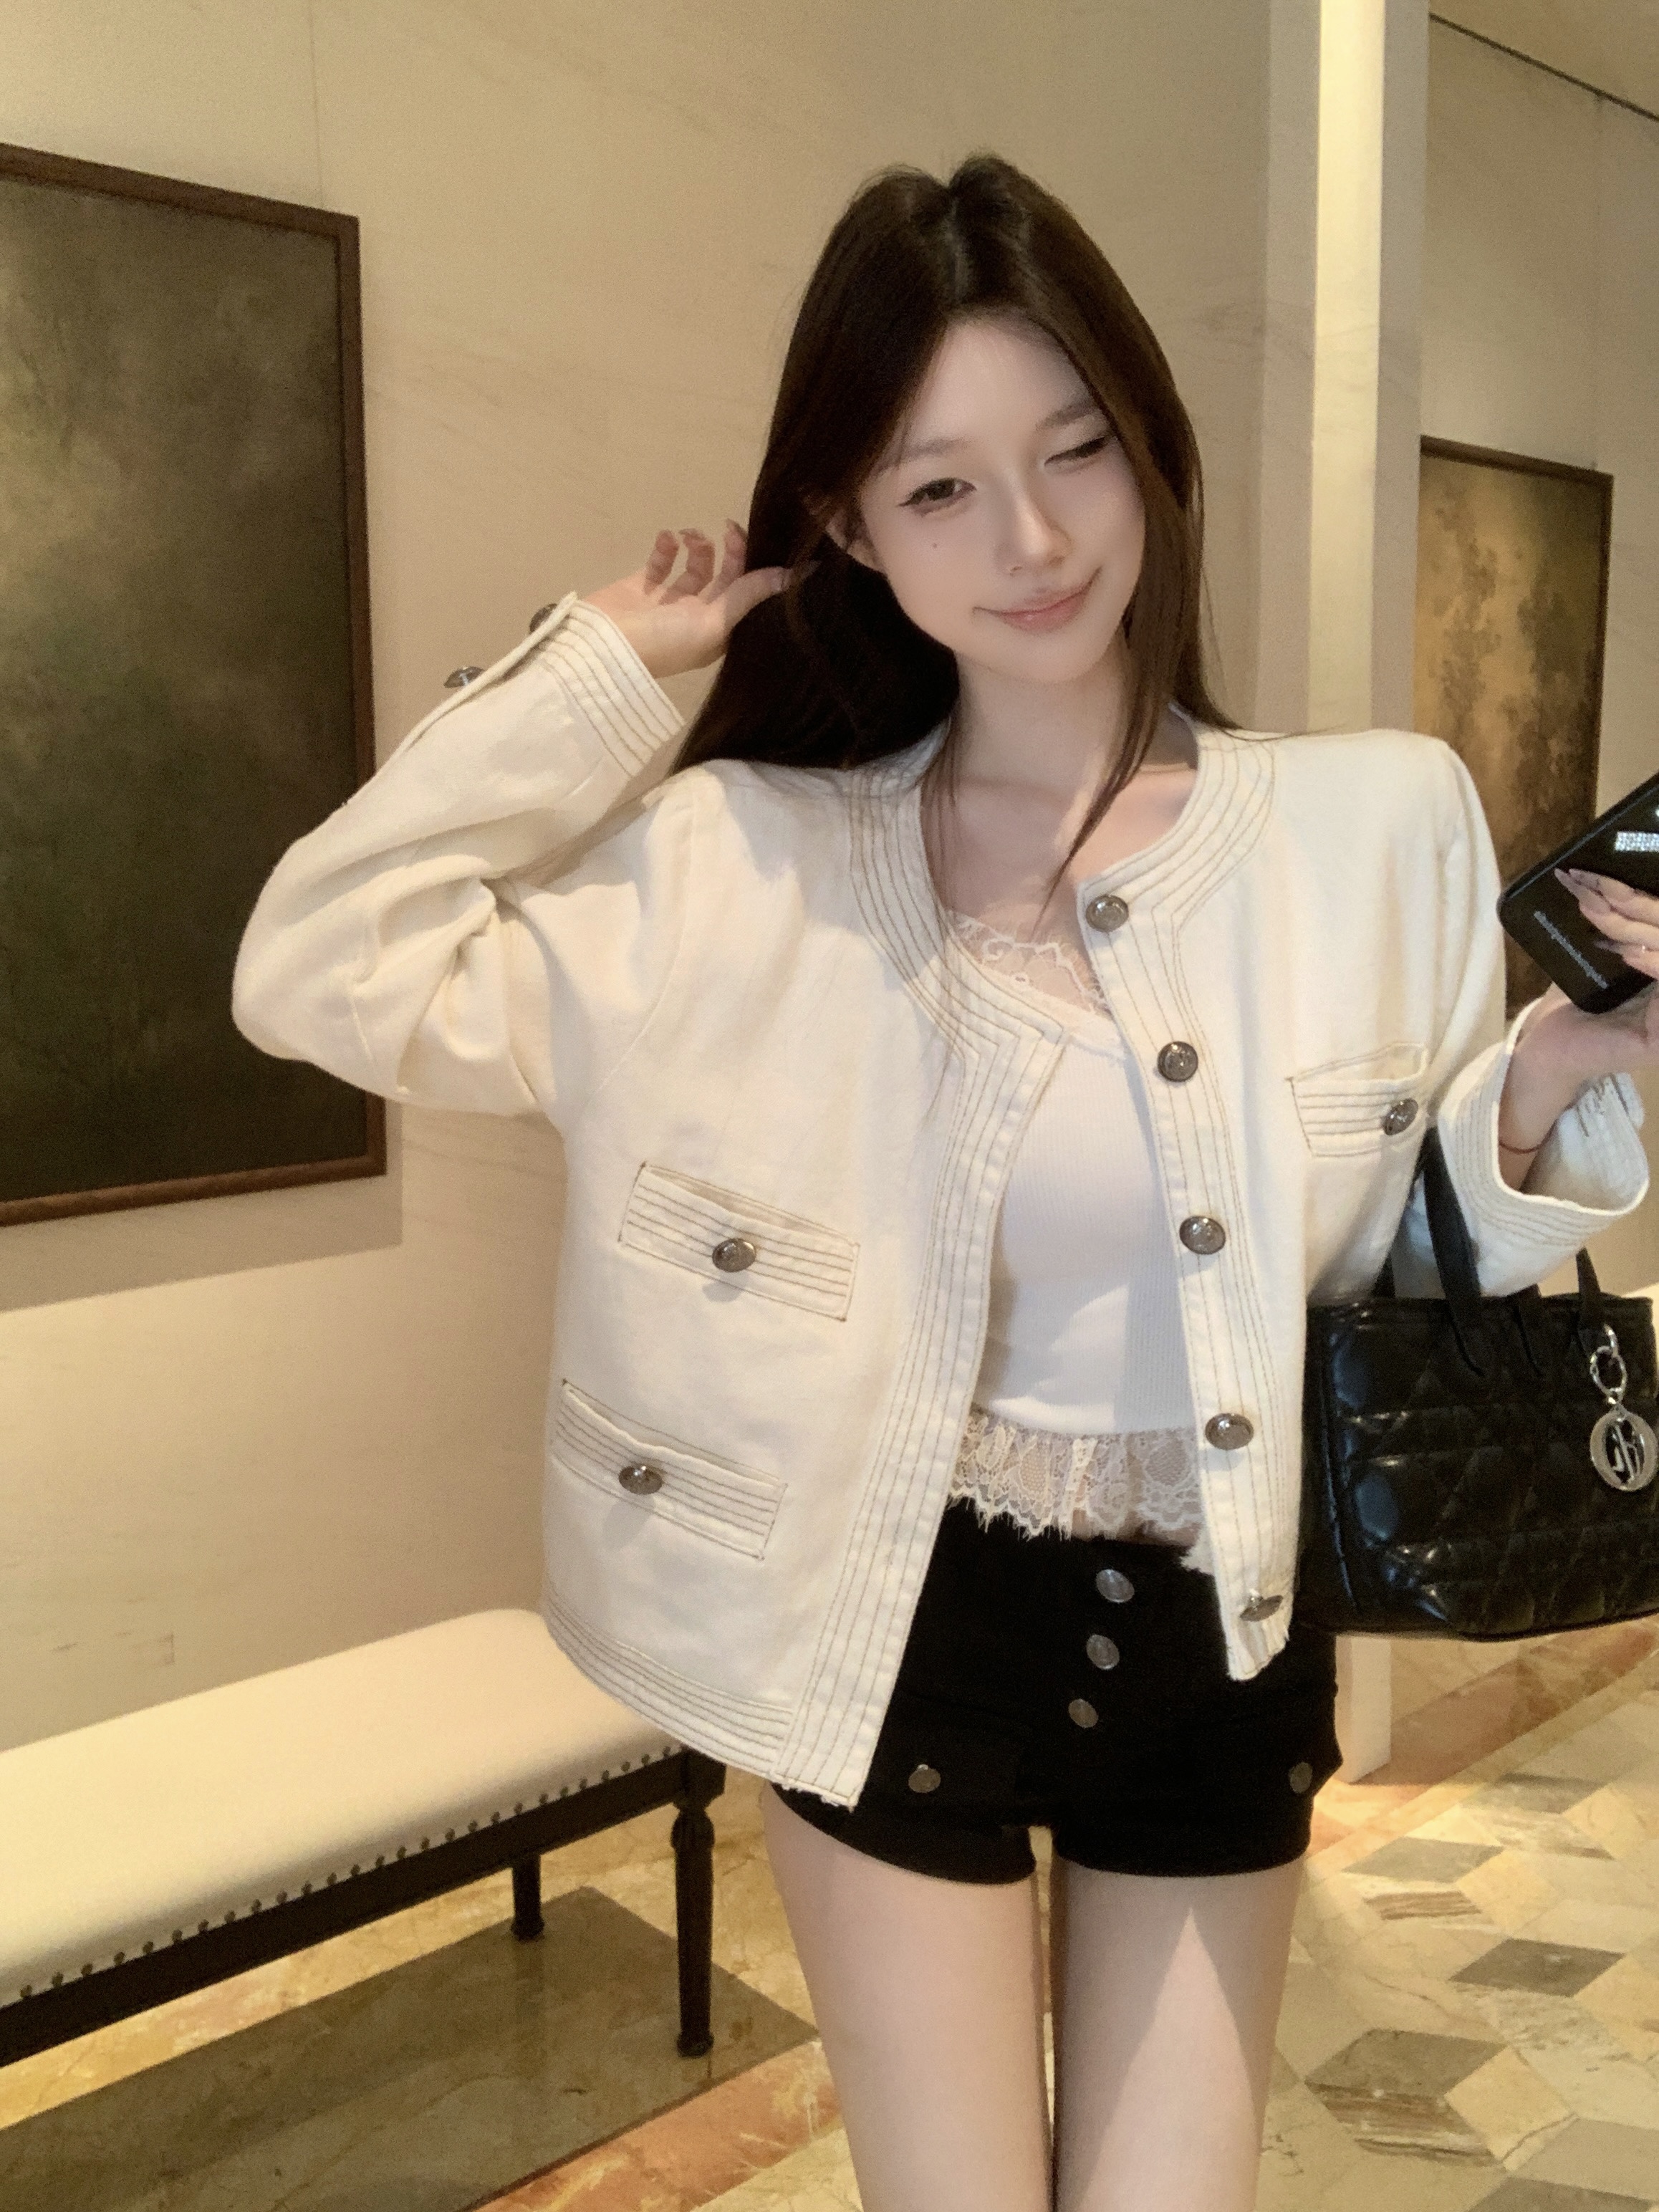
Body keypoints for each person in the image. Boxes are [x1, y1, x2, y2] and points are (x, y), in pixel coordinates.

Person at [233, 155, 1656, 2211]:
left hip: (1226, 1624)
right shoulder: (746, 862)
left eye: (1074, 449)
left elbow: (1404, 1257)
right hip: (886, 1623)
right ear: (843, 522)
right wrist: (601, 671)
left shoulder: (1371, 831)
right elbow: (317, 968)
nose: (1034, 538)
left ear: (1149, 442)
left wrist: (1561, 1072)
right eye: (941, 486)